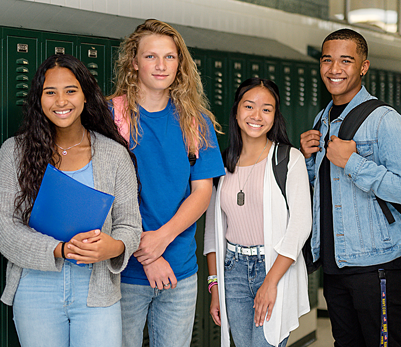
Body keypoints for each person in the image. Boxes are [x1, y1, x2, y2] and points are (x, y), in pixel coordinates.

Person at [0, 54, 142, 347]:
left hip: (97, 288)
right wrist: (60, 249)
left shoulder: (114, 155)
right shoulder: (14, 152)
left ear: (86, 95)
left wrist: (113, 246)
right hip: (35, 288)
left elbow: (130, 225)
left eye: (70, 90)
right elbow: (5, 229)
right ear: (39, 99)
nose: (61, 101)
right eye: (50, 92)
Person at [108, 19, 225, 347]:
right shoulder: (110, 117)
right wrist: (149, 254)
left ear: (180, 64)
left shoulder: (195, 121)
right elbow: (106, 194)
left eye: (170, 57)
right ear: (134, 62)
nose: (161, 65)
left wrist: (163, 238)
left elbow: (202, 193)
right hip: (123, 271)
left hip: (181, 271)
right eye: (150, 56)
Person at [300, 28, 401, 347]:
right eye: (327, 60)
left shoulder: (385, 120)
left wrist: (354, 162)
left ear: (364, 66)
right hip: (335, 263)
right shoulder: (323, 119)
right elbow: (323, 190)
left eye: (346, 60)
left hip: (377, 266)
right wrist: (306, 160)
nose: (334, 69)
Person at [204, 78, 311, 347]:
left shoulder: (288, 159)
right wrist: (214, 287)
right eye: (249, 106)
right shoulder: (223, 163)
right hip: (232, 271)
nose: (256, 116)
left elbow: (300, 225)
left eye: (266, 109)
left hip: (273, 268)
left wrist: (270, 282)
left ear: (275, 116)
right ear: (237, 110)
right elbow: (212, 233)